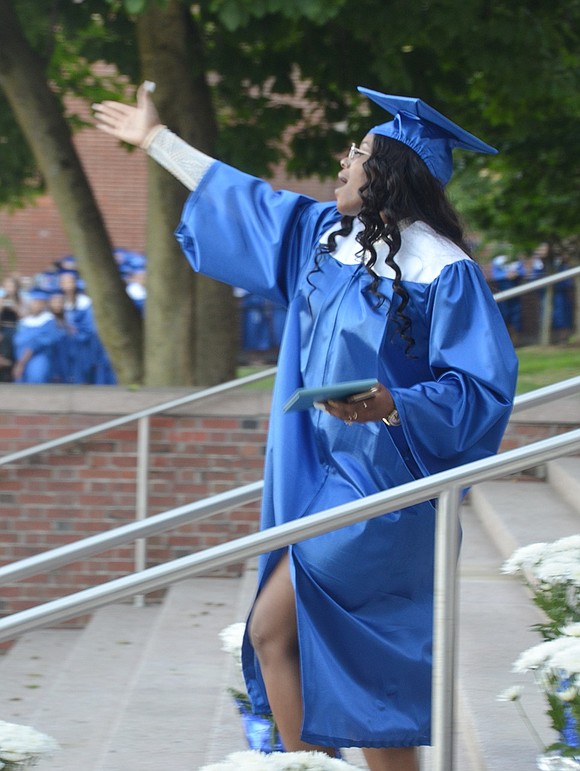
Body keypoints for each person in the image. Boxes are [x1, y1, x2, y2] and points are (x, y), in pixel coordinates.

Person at [94, 83, 518, 771]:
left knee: (287, 635)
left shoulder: (445, 271)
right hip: (320, 473)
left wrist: (393, 404)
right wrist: (155, 141)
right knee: (326, 655)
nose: (344, 163)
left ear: (390, 174)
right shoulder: (329, 238)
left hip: (385, 490)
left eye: (359, 153)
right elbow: (251, 204)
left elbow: (482, 388)